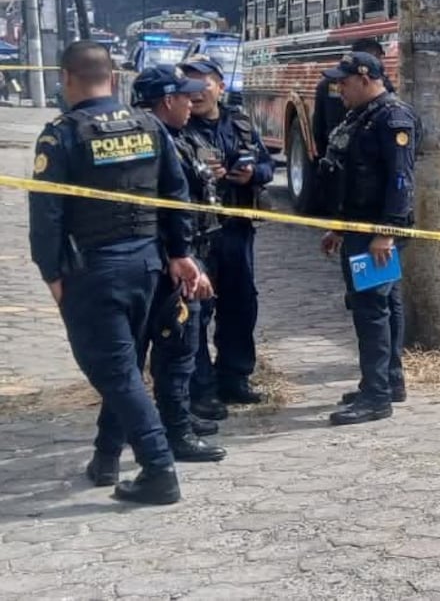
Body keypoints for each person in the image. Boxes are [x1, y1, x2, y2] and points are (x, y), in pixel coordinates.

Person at [27, 41, 209, 505]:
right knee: (122, 365)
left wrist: (52, 274)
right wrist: (180, 251)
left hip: (95, 270)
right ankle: (106, 457)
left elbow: (46, 214)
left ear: (67, 79)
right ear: (112, 78)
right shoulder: (149, 125)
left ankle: (157, 469)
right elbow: (178, 193)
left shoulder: (61, 135)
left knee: (113, 371)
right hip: (148, 265)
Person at [130, 65, 228, 463]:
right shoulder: (153, 142)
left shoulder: (175, 137)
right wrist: (181, 257)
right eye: (185, 96)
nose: (192, 102)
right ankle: (175, 432)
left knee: (181, 346)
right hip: (171, 260)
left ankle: (176, 417)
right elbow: (165, 210)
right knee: (176, 347)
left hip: (185, 253)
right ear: (167, 100)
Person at [317, 51, 416, 426]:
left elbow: (401, 180)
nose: (338, 87)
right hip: (360, 228)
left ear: (366, 78)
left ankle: (376, 396)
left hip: (375, 234)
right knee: (384, 304)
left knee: (371, 309)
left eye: (344, 81)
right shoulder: (363, 115)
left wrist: (385, 233)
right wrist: (340, 226)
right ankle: (387, 382)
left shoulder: (392, 118)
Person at [179, 54, 273, 416]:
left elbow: (266, 165)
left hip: (237, 229)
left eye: (203, 82)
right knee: (197, 311)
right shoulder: (180, 127)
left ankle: (234, 378)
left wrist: (253, 175)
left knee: (241, 304)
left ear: (219, 85)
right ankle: (199, 390)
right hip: (198, 233)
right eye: (188, 83)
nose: (197, 91)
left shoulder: (241, 124)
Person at [311, 38, 395, 179]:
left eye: (343, 83)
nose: (340, 89)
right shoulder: (381, 94)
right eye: (379, 58)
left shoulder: (390, 112)